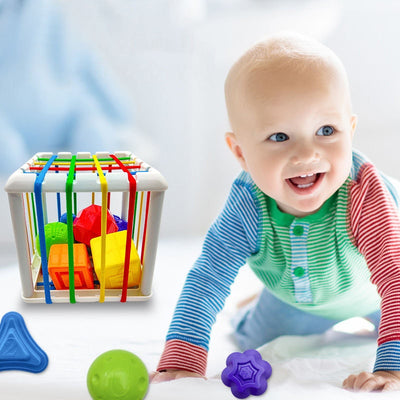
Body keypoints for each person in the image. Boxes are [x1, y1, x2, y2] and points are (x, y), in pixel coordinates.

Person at [151, 32, 400, 391]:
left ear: (351, 130)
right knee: (251, 341)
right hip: (295, 303)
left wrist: (392, 369)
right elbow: (207, 278)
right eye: (279, 137)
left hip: (384, 293)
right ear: (240, 153)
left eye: (326, 130)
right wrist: (182, 361)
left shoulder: (364, 195)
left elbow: (394, 277)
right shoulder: (248, 205)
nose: (305, 155)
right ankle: (251, 306)